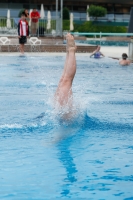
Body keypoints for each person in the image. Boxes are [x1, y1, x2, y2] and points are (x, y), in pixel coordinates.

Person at [54, 33, 77, 109]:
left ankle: (70, 50)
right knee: (65, 81)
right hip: (66, 118)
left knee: (63, 80)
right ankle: (70, 50)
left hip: (63, 117)